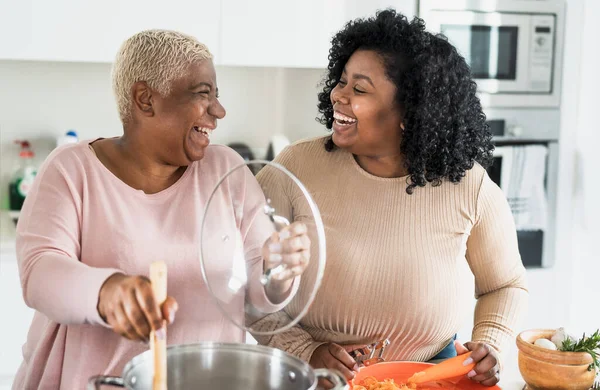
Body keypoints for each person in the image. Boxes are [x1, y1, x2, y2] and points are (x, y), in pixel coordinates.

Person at [12, 29, 310, 389]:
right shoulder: (71, 169)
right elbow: (40, 274)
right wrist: (107, 291)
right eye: (203, 94)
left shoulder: (226, 169)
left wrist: (278, 270)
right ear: (145, 100)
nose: (219, 111)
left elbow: (261, 296)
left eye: (217, 95)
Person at [251, 9, 527, 388]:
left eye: (359, 89)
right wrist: (304, 349)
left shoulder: (469, 186)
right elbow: (247, 279)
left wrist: (492, 344)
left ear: (409, 113)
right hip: (315, 378)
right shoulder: (296, 168)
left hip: (432, 375)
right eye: (342, 81)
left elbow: (505, 285)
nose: (338, 95)